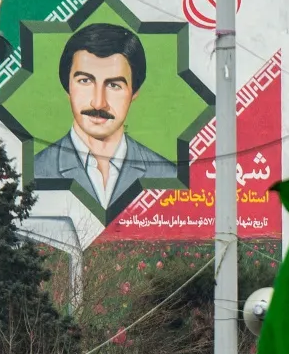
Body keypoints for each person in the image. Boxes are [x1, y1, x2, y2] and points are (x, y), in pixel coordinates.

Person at [32, 23, 179, 220]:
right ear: (68, 87)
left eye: (114, 85)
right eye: (85, 81)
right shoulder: (35, 172)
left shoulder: (167, 176)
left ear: (134, 92)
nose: (98, 102)